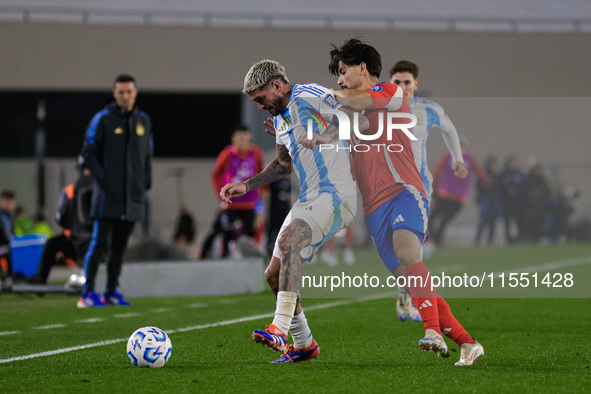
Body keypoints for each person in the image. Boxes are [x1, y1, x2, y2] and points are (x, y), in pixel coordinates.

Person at [326, 38, 483, 366]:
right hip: (374, 209)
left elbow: (353, 102)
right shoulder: (346, 108)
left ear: (363, 68)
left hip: (404, 192)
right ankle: (468, 344)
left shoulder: (391, 92)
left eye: (342, 72)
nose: (339, 80)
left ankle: (433, 332)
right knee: (413, 283)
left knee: (409, 254)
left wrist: (317, 95)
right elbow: (329, 133)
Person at [220, 59, 359, 364]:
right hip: (310, 198)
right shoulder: (282, 119)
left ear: (277, 86)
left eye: (260, 99)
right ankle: (304, 343)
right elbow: (284, 164)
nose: (259, 107)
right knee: (272, 275)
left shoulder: (309, 95)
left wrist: (324, 136)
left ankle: (279, 328)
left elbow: (351, 114)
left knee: (288, 242)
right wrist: (247, 185)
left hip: (336, 194)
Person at [389, 60, 468, 320]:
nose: (402, 87)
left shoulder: (428, 109)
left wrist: (457, 158)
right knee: (394, 247)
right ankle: (406, 293)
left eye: (406, 82)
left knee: (414, 242)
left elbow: (450, 129)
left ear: (415, 84)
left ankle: (411, 299)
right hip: (388, 185)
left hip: (419, 185)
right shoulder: (378, 108)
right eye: (397, 82)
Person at [78, 74, 153, 308]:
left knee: (119, 248)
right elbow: (88, 154)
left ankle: (111, 292)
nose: (125, 96)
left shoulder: (143, 120)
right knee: (99, 244)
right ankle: (87, 293)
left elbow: (147, 156)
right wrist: (104, 181)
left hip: (133, 197)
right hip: (107, 197)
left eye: (129, 91)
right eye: (121, 92)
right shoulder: (102, 119)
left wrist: (145, 183)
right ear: (114, 94)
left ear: (135, 93)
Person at [200, 126, 265, 259]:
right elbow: (215, 175)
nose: (243, 141)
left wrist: (259, 206)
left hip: (249, 205)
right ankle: (220, 259)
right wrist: (221, 195)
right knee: (227, 233)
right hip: (231, 205)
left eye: (245, 137)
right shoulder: (228, 154)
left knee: (249, 236)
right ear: (234, 139)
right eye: (239, 137)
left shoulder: (256, 153)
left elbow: (261, 177)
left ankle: (249, 262)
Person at [30, 158, 94, 287]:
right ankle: (40, 278)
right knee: (51, 244)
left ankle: (92, 277)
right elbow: (60, 218)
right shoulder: (70, 191)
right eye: (85, 169)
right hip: (73, 238)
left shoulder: (99, 190)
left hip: (92, 238)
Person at [427, 137, 489, 246]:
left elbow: (437, 172)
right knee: (445, 221)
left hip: (445, 194)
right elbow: (482, 176)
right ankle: (438, 241)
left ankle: (432, 240)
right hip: (460, 198)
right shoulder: (470, 158)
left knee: (431, 218)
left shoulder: (447, 156)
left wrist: (433, 188)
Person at [499, 154, 527, 243]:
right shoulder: (503, 175)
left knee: (520, 221)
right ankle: (508, 239)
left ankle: (520, 238)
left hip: (518, 203)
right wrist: (507, 190)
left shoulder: (519, 174)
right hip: (507, 203)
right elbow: (500, 188)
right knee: (507, 222)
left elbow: (524, 187)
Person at [475, 155, 502, 246]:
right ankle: (477, 240)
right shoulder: (484, 174)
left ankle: (490, 241)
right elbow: (480, 186)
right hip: (486, 200)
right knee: (483, 221)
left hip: (494, 201)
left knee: (493, 222)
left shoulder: (496, 175)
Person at [0, 189, 17, 289]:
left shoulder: (8, 216)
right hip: (2, 246)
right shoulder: (3, 217)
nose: (9, 204)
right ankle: (8, 277)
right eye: (7, 201)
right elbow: (8, 236)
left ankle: (8, 277)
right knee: (10, 251)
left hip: (4, 245)